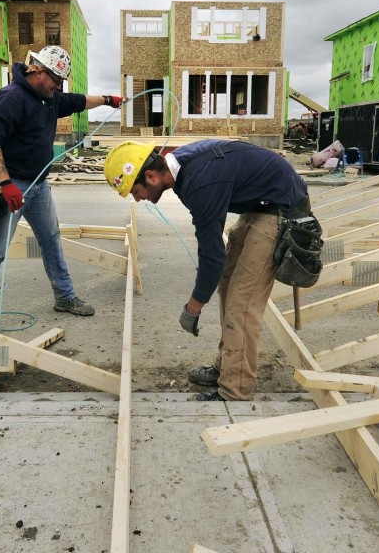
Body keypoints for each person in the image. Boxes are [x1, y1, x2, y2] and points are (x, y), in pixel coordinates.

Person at [103, 139, 311, 401]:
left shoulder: (200, 182)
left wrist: (193, 307)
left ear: (150, 176)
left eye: (135, 191)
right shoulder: (180, 170)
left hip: (282, 210)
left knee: (242, 301)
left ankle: (235, 389)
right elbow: (214, 253)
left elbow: (211, 257)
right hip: (259, 205)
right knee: (227, 283)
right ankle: (226, 365)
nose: (138, 198)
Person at [0, 45, 123, 327]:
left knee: (51, 240)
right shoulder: (11, 98)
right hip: (12, 186)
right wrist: (5, 183)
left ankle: (64, 297)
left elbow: (77, 101)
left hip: (38, 185)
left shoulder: (48, 97)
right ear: (37, 70)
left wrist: (108, 99)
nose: (58, 87)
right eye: (55, 80)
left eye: (60, 82)